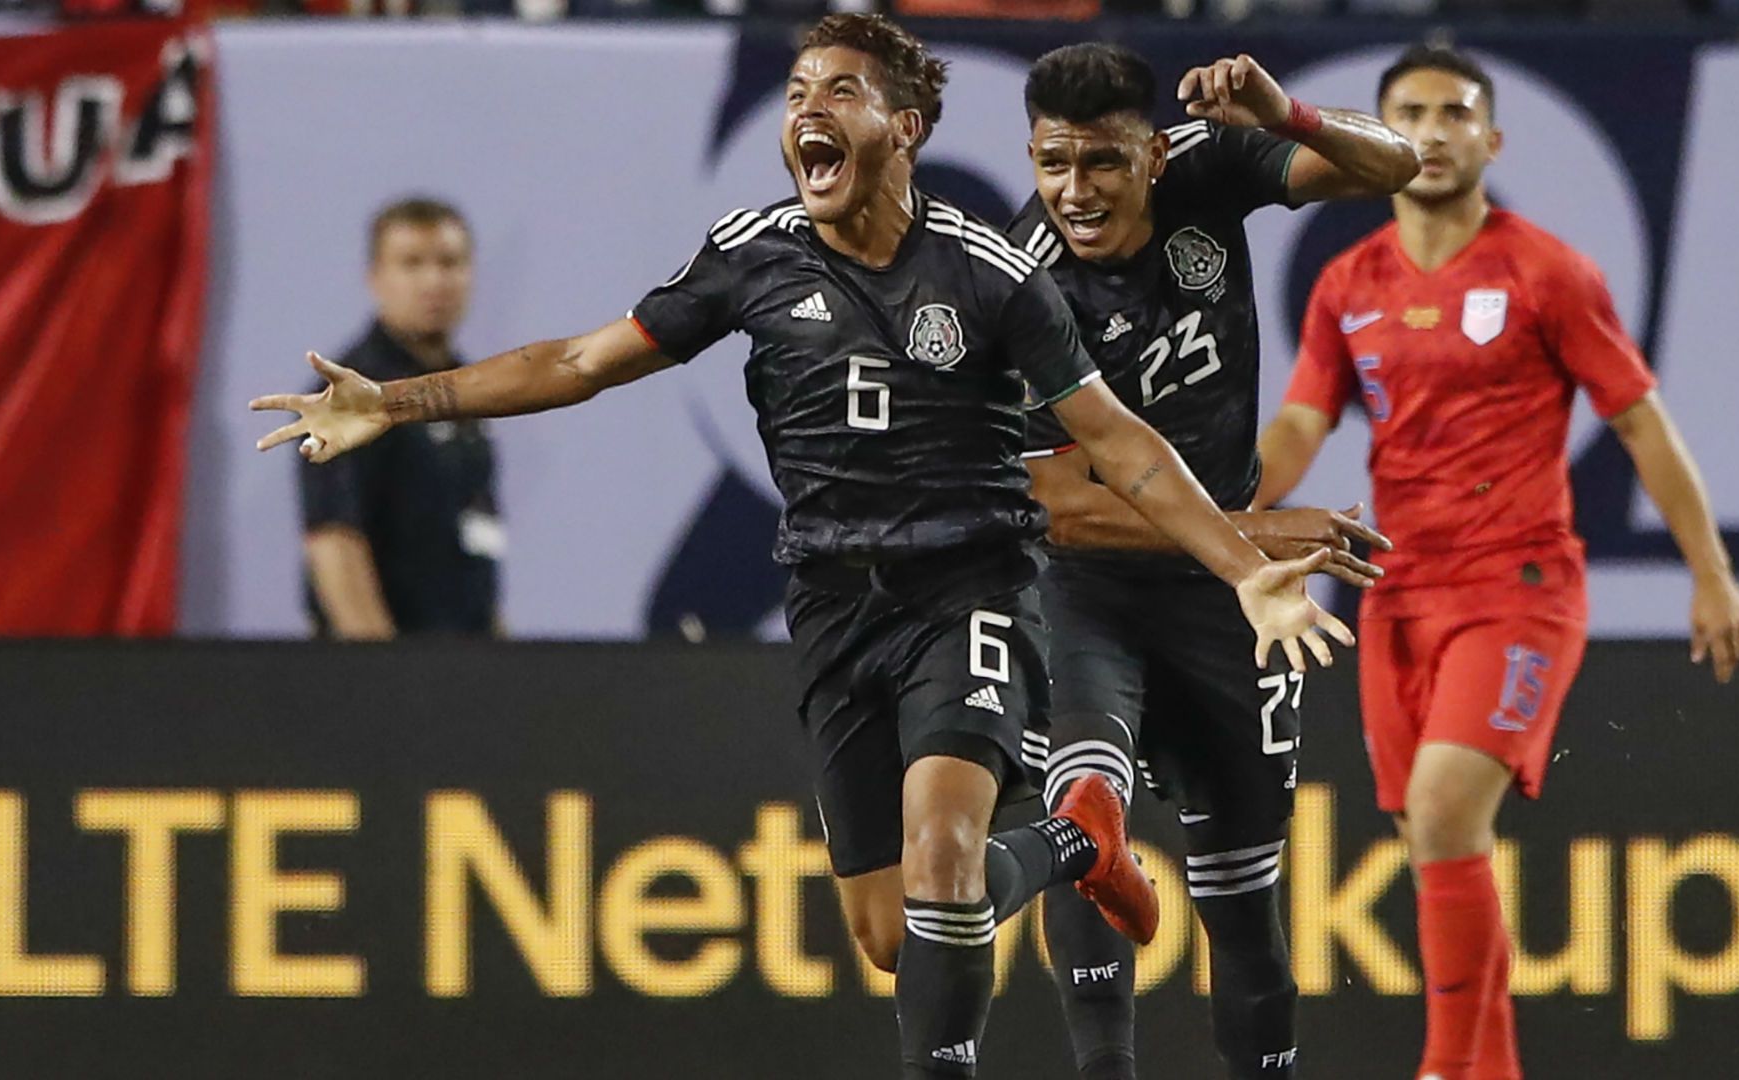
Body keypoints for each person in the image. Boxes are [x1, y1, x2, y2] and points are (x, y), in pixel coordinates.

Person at [252, 15, 1352, 1077]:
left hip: (968, 588)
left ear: (905, 127)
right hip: (832, 605)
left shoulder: (993, 274)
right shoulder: (751, 257)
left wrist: (1244, 569)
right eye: (795, 96)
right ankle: (1075, 844)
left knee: (942, 858)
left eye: (840, 92)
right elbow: (579, 363)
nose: (807, 114)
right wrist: (398, 402)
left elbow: (1122, 444)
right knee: (893, 934)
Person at [1256, 45, 1739, 1080]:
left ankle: (1444, 1069)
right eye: (1410, 113)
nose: (1433, 132)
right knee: (1435, 841)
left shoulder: (1548, 271)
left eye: (1454, 113)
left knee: (1442, 809)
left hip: (1517, 588)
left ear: (1491, 140)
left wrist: (1709, 572)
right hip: (1395, 591)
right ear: (1380, 138)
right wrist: (1213, 514)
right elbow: (1300, 426)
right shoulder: (1349, 284)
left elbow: (1642, 426)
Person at [1002, 43, 1418, 1080]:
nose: (1074, 191)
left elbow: (1398, 165)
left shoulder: (1212, 170)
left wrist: (1287, 115)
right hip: (1093, 591)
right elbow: (1060, 510)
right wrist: (1257, 538)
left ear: (1154, 153)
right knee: (1083, 826)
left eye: (1101, 163)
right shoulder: (1019, 285)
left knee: (1242, 898)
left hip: (1229, 599)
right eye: (1054, 163)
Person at [299, 197, 501, 640]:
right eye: (412, 264)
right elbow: (335, 542)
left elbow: (480, 542)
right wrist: (387, 678)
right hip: (385, 680)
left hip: (465, 668)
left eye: (450, 263)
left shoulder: (471, 391)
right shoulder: (348, 399)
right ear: (375, 278)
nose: (434, 281)